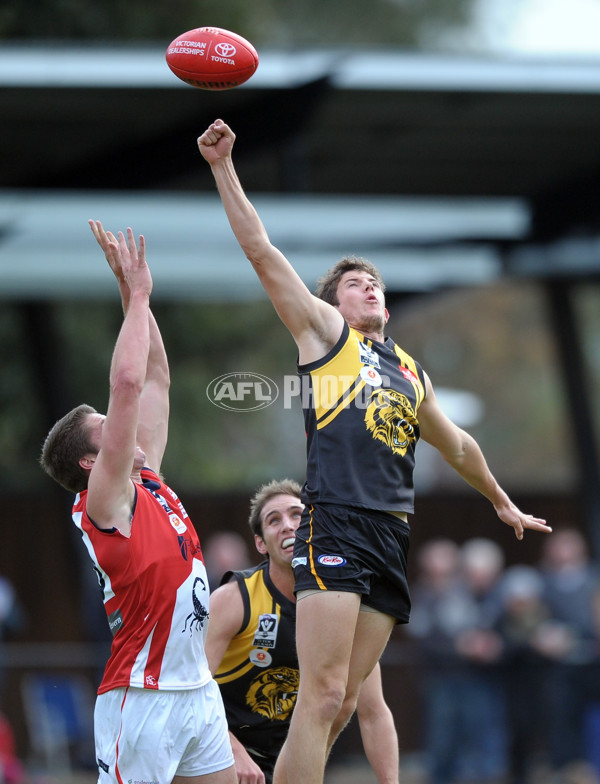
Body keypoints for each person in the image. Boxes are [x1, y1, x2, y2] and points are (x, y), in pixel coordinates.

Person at [197, 119, 553, 784]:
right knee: (323, 694)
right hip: (334, 520)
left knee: (344, 706)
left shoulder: (410, 371)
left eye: (374, 282)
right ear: (332, 302)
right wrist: (223, 166)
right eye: (354, 282)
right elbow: (261, 251)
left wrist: (503, 502)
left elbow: (460, 444)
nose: (369, 287)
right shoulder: (326, 336)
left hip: (391, 536)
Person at [39, 221, 236, 784]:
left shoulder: (149, 479)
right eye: (106, 428)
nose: (122, 425)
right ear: (89, 463)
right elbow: (125, 386)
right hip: (142, 696)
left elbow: (153, 377)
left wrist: (130, 290)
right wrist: (143, 295)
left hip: (196, 688)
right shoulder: (106, 499)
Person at [205, 478, 399, 784]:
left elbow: (373, 714)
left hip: (292, 758)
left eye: (297, 515)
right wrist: (232, 749)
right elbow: (191, 689)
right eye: (274, 520)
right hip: (221, 752)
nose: (287, 526)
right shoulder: (234, 599)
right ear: (260, 543)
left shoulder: (341, 606)